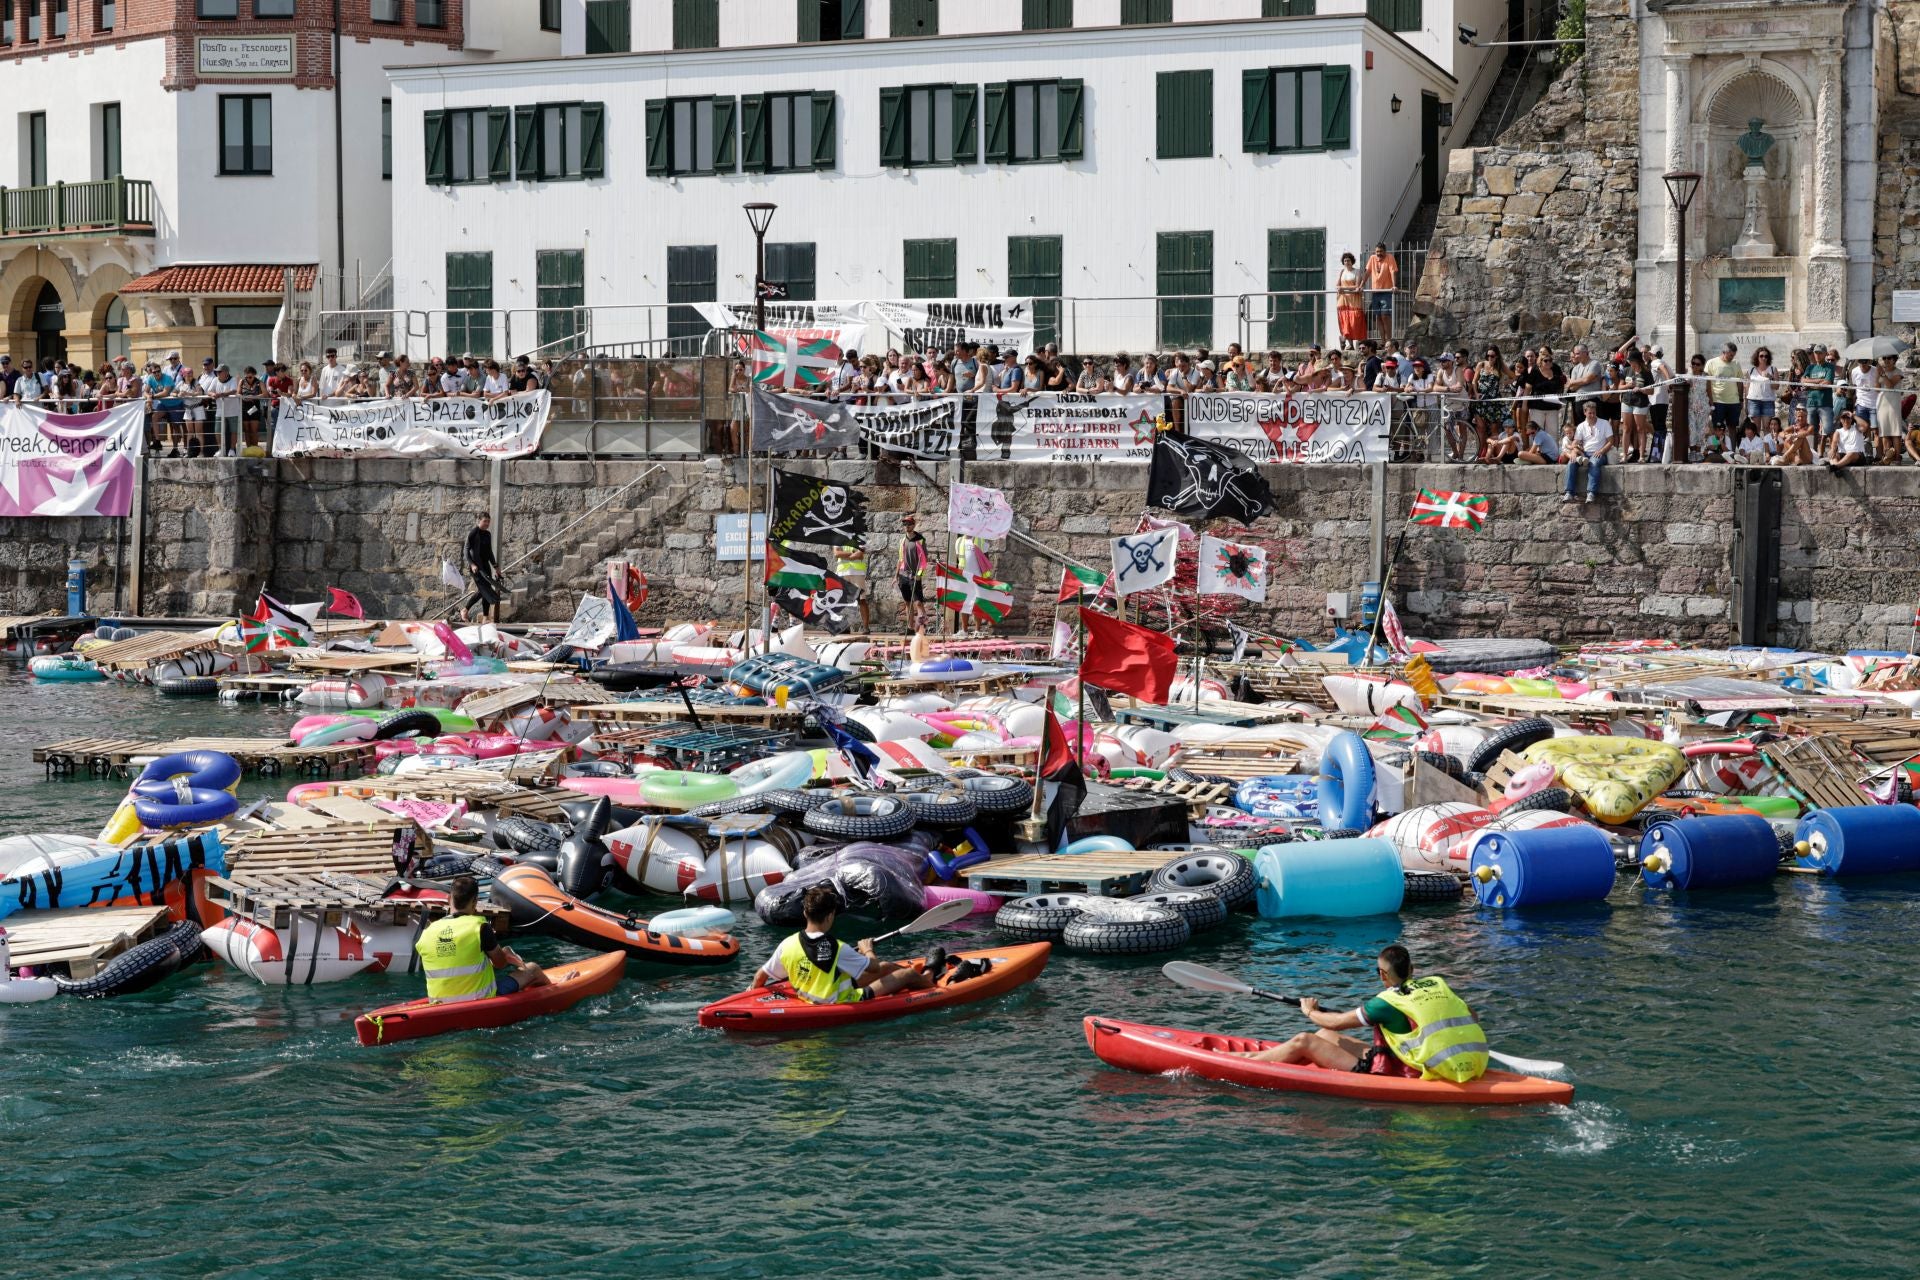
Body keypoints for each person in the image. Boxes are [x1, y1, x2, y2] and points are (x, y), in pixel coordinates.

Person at [1234, 945, 1488, 1083]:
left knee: (1305, 1039)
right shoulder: (1436, 984)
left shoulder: (1385, 1001)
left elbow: (1338, 1021)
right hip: (1428, 1059)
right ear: (1412, 969)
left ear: (1383, 976)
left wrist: (1309, 1010)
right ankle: (1254, 1055)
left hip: (1404, 1072)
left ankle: (1243, 1064)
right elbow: (1472, 1017)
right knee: (1325, 1034)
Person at [750, 884, 945, 1005]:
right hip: (840, 1000)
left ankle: (922, 977)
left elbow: (761, 976)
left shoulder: (787, 944)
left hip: (810, 995)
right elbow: (874, 967)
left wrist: (748, 999)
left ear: (805, 914)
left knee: (887, 966)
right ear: (830, 916)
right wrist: (867, 949)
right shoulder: (837, 947)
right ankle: (929, 978)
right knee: (906, 974)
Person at [414, 875, 547, 1003]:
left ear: (449, 899)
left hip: (439, 1003)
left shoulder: (427, 932)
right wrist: (505, 954)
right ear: (475, 902)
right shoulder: (479, 927)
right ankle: (555, 991)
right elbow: (500, 964)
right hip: (480, 1000)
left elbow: (452, 960)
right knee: (533, 968)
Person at [1563, 399, 1613, 503]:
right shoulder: (1581, 426)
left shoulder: (1604, 423)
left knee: (1594, 463)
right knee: (1571, 462)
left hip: (1599, 452)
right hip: (1584, 453)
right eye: (1589, 413)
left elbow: (1611, 441)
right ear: (1584, 412)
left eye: (1594, 413)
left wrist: (1602, 451)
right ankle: (1569, 493)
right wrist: (1573, 452)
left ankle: (1591, 493)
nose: (1592, 415)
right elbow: (1575, 442)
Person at [464, 512, 503, 624]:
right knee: (484, 590)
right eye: (485, 521)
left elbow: (489, 552)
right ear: (479, 521)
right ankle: (466, 610)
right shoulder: (473, 533)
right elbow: (466, 550)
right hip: (476, 567)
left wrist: (496, 567)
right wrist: (472, 564)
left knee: (484, 590)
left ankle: (485, 617)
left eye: (488, 522)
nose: (487, 524)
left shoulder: (488, 534)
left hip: (485, 566)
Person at [896, 513, 930, 632]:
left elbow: (924, 560)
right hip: (903, 575)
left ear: (913, 525)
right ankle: (910, 627)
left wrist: (919, 575)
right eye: (905, 524)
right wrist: (896, 575)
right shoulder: (902, 540)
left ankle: (923, 627)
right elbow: (900, 559)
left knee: (918, 603)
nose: (907, 526)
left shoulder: (920, 540)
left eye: (909, 524)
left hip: (915, 576)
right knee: (907, 602)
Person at [1705, 342, 1744, 439]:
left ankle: (1732, 451)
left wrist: (1741, 399)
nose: (1732, 357)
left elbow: (1740, 382)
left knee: (1732, 428)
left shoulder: (1736, 363)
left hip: (1734, 401)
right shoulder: (1711, 363)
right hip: (1717, 401)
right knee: (1717, 428)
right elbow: (1707, 383)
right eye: (1730, 355)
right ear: (1724, 352)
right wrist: (1710, 400)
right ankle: (1715, 450)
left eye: (1734, 355)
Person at [1363, 242, 1397, 343]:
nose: (1379, 253)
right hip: (1375, 292)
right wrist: (1361, 285)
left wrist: (1394, 285)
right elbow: (1367, 273)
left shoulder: (1390, 257)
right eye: (1377, 251)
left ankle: (1389, 340)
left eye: (1381, 251)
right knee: (1378, 317)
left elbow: (1393, 271)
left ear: (1385, 251)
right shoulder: (1372, 258)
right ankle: (1383, 341)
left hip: (1386, 291)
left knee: (1385, 316)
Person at [834, 543, 871, 633]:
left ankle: (866, 627)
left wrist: (845, 554)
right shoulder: (838, 537)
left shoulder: (860, 537)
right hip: (842, 572)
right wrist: (852, 553)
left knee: (861, 600)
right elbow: (837, 554)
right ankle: (844, 627)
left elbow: (860, 554)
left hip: (857, 572)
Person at [1336, 252, 1365, 347]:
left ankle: (1356, 341)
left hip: (1354, 299)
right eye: (1345, 260)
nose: (1346, 262)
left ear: (1352, 261)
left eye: (1348, 260)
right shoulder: (1342, 271)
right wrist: (1341, 288)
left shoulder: (1356, 271)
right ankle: (1350, 343)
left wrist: (1343, 288)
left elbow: (1357, 285)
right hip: (1343, 299)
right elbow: (1337, 285)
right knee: (1345, 322)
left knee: (1354, 321)